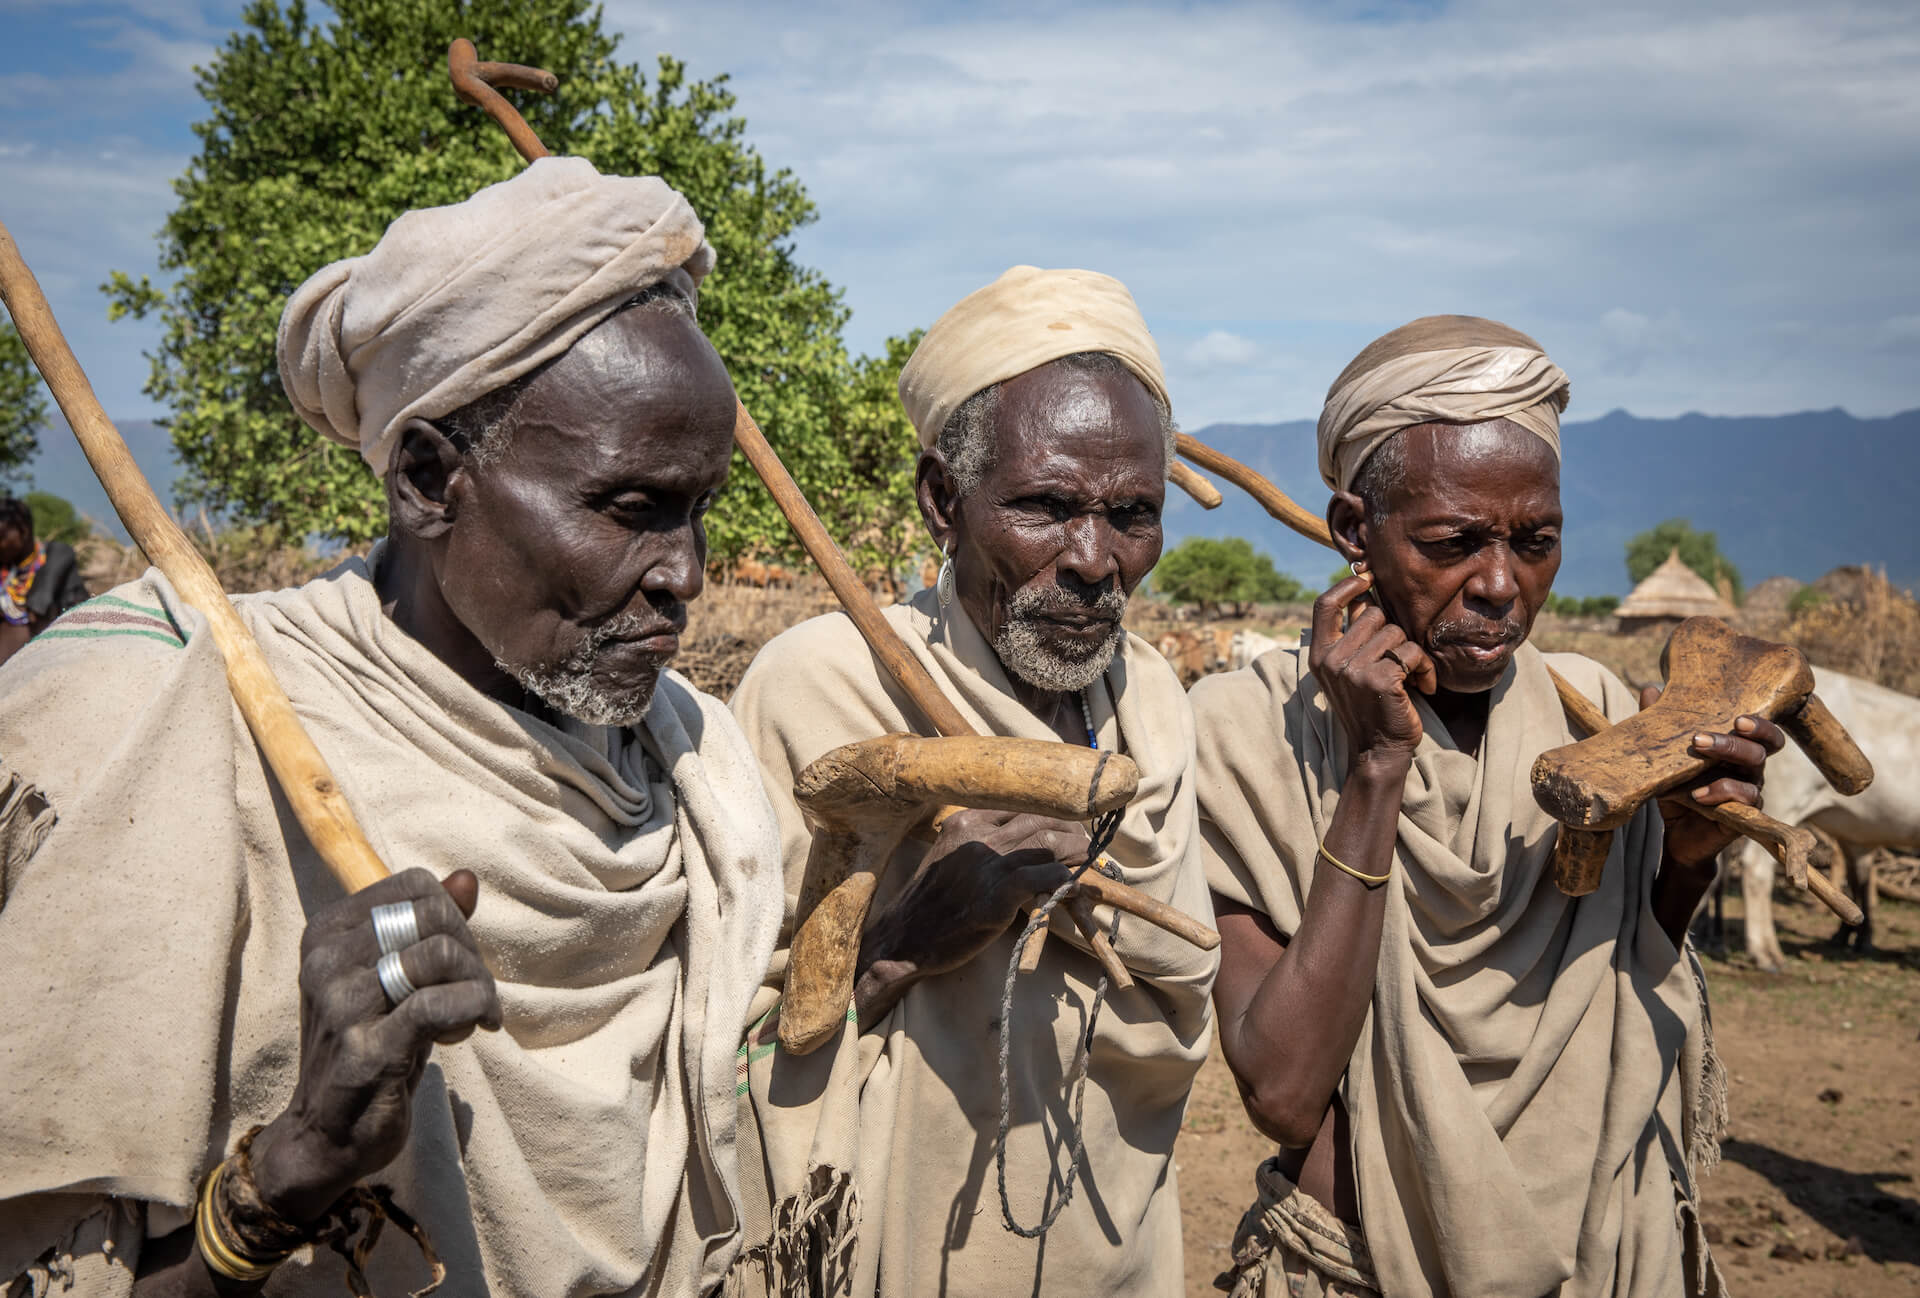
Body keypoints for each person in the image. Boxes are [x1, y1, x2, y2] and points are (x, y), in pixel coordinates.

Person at [0, 158, 784, 1298]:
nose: (687, 575)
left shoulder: (703, 765)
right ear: (427, 480)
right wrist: (295, 1164)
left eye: (699, 510)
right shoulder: (172, 714)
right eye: (632, 509)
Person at [1194, 315, 1771, 1298]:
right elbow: (1283, 1092)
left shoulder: (1595, 712)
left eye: (1536, 542)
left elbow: (1622, 986)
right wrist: (1376, 767)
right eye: (1453, 542)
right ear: (1353, 532)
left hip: (1606, 1248)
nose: (1501, 585)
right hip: (1364, 1263)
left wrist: (1687, 855)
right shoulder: (1246, 733)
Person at [727, 267, 1218, 1297]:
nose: (1095, 559)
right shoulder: (823, 686)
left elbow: (1176, 1001)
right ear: (943, 502)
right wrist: (904, 939)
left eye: (1133, 513)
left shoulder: (1156, 706)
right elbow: (723, 1049)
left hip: (1114, 1244)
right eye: (1046, 507)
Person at [0, 494, 91, 666]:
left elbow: (37, 608)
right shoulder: (6, 567)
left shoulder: (57, 554)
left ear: (23, 532)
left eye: (1, 537)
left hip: (64, 650)